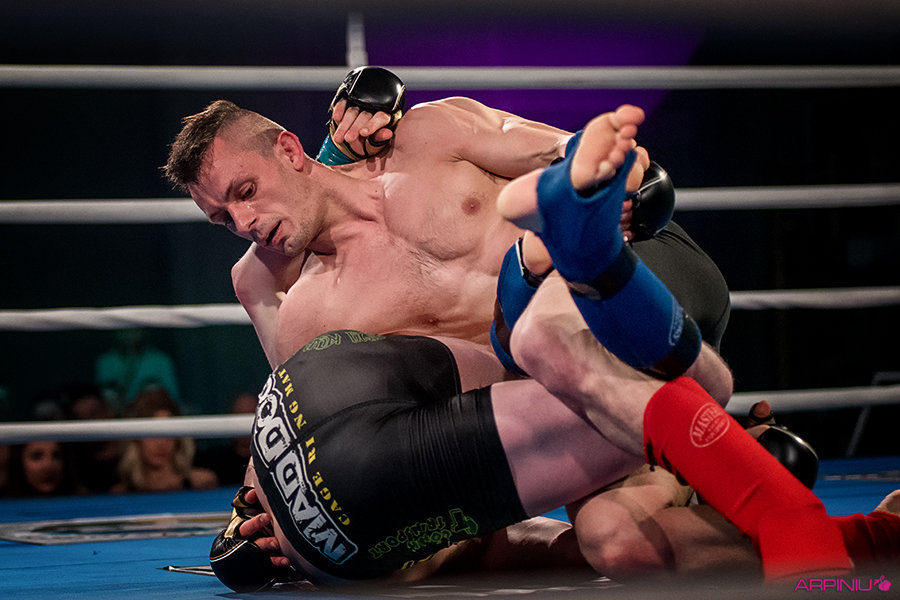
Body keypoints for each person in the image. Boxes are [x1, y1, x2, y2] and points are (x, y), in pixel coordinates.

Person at [209, 108, 899, 589]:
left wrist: (620, 183)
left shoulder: (428, 135)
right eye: (221, 217)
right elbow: (329, 447)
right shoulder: (310, 323)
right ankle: (873, 536)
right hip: (586, 390)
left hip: (646, 270)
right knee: (618, 543)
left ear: (291, 151)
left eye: (245, 192)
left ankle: (568, 258)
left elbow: (594, 156)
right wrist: (252, 526)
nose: (243, 221)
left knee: (544, 321)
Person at [110, 389, 218, 493]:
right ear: (136, 439)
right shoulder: (121, 493)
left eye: (168, 433)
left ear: (178, 438)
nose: (161, 444)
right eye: (152, 433)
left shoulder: (202, 483)